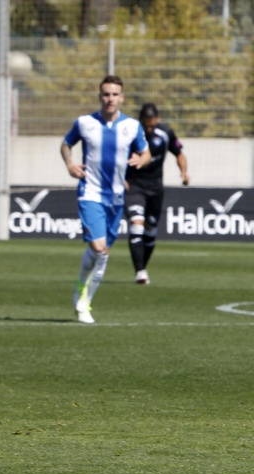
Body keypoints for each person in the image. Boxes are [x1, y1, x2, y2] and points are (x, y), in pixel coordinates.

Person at [60, 75, 151, 324]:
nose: (110, 99)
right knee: (99, 248)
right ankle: (82, 298)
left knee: (103, 252)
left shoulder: (132, 126)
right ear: (100, 96)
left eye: (114, 94)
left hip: (117, 197)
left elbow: (146, 153)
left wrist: (140, 161)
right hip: (90, 193)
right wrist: (70, 165)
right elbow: (66, 145)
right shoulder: (85, 123)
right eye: (106, 94)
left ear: (121, 97)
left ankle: (83, 297)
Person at [125, 103, 189, 285]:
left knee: (151, 230)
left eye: (152, 125)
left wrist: (184, 172)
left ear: (158, 119)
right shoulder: (130, 134)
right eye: (146, 125)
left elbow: (179, 154)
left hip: (155, 188)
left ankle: (142, 266)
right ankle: (140, 272)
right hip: (134, 186)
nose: (149, 129)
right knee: (136, 224)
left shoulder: (166, 133)